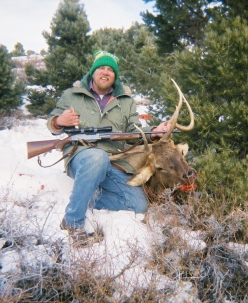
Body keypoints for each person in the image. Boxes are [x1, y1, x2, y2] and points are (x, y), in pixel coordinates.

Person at [47, 50, 170, 245]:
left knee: (138, 204)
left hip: (113, 162)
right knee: (97, 157)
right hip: (81, 156)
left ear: (115, 76)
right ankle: (72, 222)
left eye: (111, 70)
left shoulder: (126, 102)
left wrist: (154, 131)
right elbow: (51, 125)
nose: (106, 72)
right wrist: (59, 121)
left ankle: (86, 194)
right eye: (101, 68)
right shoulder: (72, 95)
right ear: (93, 72)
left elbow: (134, 131)